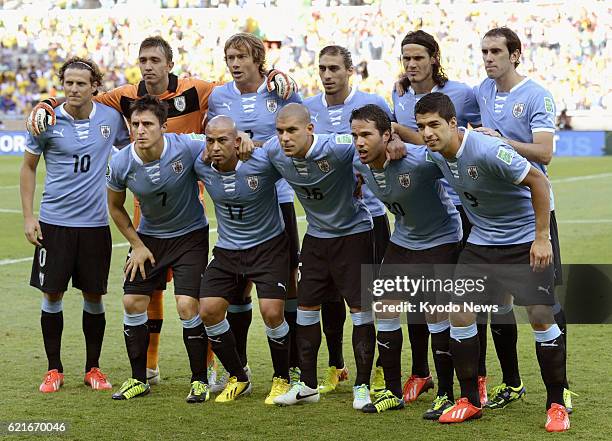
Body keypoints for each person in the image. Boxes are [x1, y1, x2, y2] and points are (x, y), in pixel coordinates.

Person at [26, 35, 294, 388]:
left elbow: (241, 86)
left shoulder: (198, 91)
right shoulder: (121, 98)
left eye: (155, 59)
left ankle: (244, 370)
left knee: (264, 291)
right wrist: (47, 102)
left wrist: (269, 71)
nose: (148, 66)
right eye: (143, 60)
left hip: (206, 205)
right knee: (144, 294)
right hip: (146, 214)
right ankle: (148, 367)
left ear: (170, 63)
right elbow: (78, 95)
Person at [416, 92, 569, 432]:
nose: (427, 133)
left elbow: (539, 181)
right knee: (460, 311)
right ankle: (469, 400)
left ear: (454, 124)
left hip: (522, 241)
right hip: (482, 243)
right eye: (422, 126)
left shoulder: (487, 150)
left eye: (434, 125)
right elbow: (411, 148)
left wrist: (541, 238)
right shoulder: (436, 152)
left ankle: (557, 403)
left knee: (541, 316)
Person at [473, 27, 571, 412]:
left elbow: (544, 153)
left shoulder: (536, 95)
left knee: (544, 306)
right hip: (494, 215)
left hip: (534, 212)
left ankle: (559, 389)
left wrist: (499, 141)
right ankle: (512, 383)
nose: (489, 57)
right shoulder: (482, 90)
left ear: (515, 54)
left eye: (496, 51)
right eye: (484, 51)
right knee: (497, 303)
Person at [20, 57, 130, 393]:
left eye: (81, 83)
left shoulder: (111, 118)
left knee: (94, 296)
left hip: (96, 225)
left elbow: (130, 150)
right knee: (51, 294)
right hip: (54, 223)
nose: (73, 89)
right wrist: (29, 216)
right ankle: (54, 369)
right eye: (68, 83)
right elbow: (28, 168)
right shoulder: (47, 120)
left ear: (95, 86)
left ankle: (92, 368)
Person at [391, 30, 486, 405]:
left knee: (462, 297)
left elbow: (470, 137)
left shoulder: (462, 94)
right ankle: (421, 372)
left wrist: (402, 132)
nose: (411, 65)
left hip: (460, 204)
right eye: (406, 59)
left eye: (418, 58)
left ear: (434, 57)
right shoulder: (398, 95)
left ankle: (474, 373)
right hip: (419, 206)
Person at [350, 104, 462, 418]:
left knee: (436, 316)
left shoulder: (416, 160)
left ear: (386, 135)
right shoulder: (359, 159)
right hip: (403, 240)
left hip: (441, 239)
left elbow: (451, 153)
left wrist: (403, 135)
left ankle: (445, 394)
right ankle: (393, 392)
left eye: (367, 135)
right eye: (355, 135)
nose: (359, 142)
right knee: (383, 307)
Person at [207, 33, 302, 385]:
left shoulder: (279, 89)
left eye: (241, 57)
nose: (234, 63)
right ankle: (240, 365)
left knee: (287, 285)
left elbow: (302, 126)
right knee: (238, 287)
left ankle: (291, 364)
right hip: (238, 201)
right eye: (229, 56)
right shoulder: (219, 96)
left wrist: (256, 144)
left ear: (257, 59)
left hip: (277, 198)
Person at [268, 104, 376, 410]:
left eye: (292, 131)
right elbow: (251, 155)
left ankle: (363, 386)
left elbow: (367, 145)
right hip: (315, 238)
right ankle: (308, 385)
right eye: (280, 131)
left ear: (310, 129)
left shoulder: (338, 147)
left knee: (360, 311)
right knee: (305, 310)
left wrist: (392, 140)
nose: (285, 138)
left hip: (354, 235)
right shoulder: (276, 153)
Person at [303, 45, 395, 395]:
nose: (327, 75)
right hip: (327, 221)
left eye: (334, 69)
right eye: (322, 68)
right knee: (327, 297)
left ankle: (376, 370)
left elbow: (390, 142)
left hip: (368, 216)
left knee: (371, 296)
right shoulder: (309, 108)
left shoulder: (372, 104)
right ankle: (336, 365)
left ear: (349, 71)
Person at [107, 96, 209, 402]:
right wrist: (136, 244)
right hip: (149, 238)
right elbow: (115, 207)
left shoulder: (187, 146)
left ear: (163, 127)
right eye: (135, 124)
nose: (140, 130)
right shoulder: (121, 162)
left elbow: (222, 143)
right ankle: (139, 379)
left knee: (187, 306)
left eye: (148, 124)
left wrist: (242, 141)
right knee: (132, 301)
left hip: (190, 235)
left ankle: (200, 381)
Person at [195, 116, 290, 404]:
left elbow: (288, 148)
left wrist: (255, 142)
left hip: (268, 248)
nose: (215, 147)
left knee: (272, 312)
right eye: (210, 140)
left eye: (223, 140)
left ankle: (282, 378)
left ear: (237, 142)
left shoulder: (261, 163)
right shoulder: (201, 165)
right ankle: (239, 376)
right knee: (208, 310)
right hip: (227, 251)